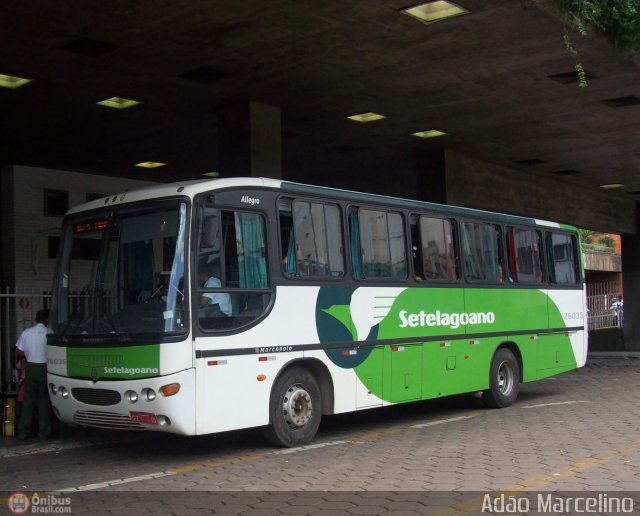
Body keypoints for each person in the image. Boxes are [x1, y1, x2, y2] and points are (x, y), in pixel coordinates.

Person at [15, 309, 52, 440]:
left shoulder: (26, 333)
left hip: (30, 368)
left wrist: (28, 354)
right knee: (43, 401)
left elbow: (19, 351)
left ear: (36, 319)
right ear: (47, 320)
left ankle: (23, 432)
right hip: (45, 369)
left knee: (28, 401)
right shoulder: (50, 333)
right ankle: (44, 432)